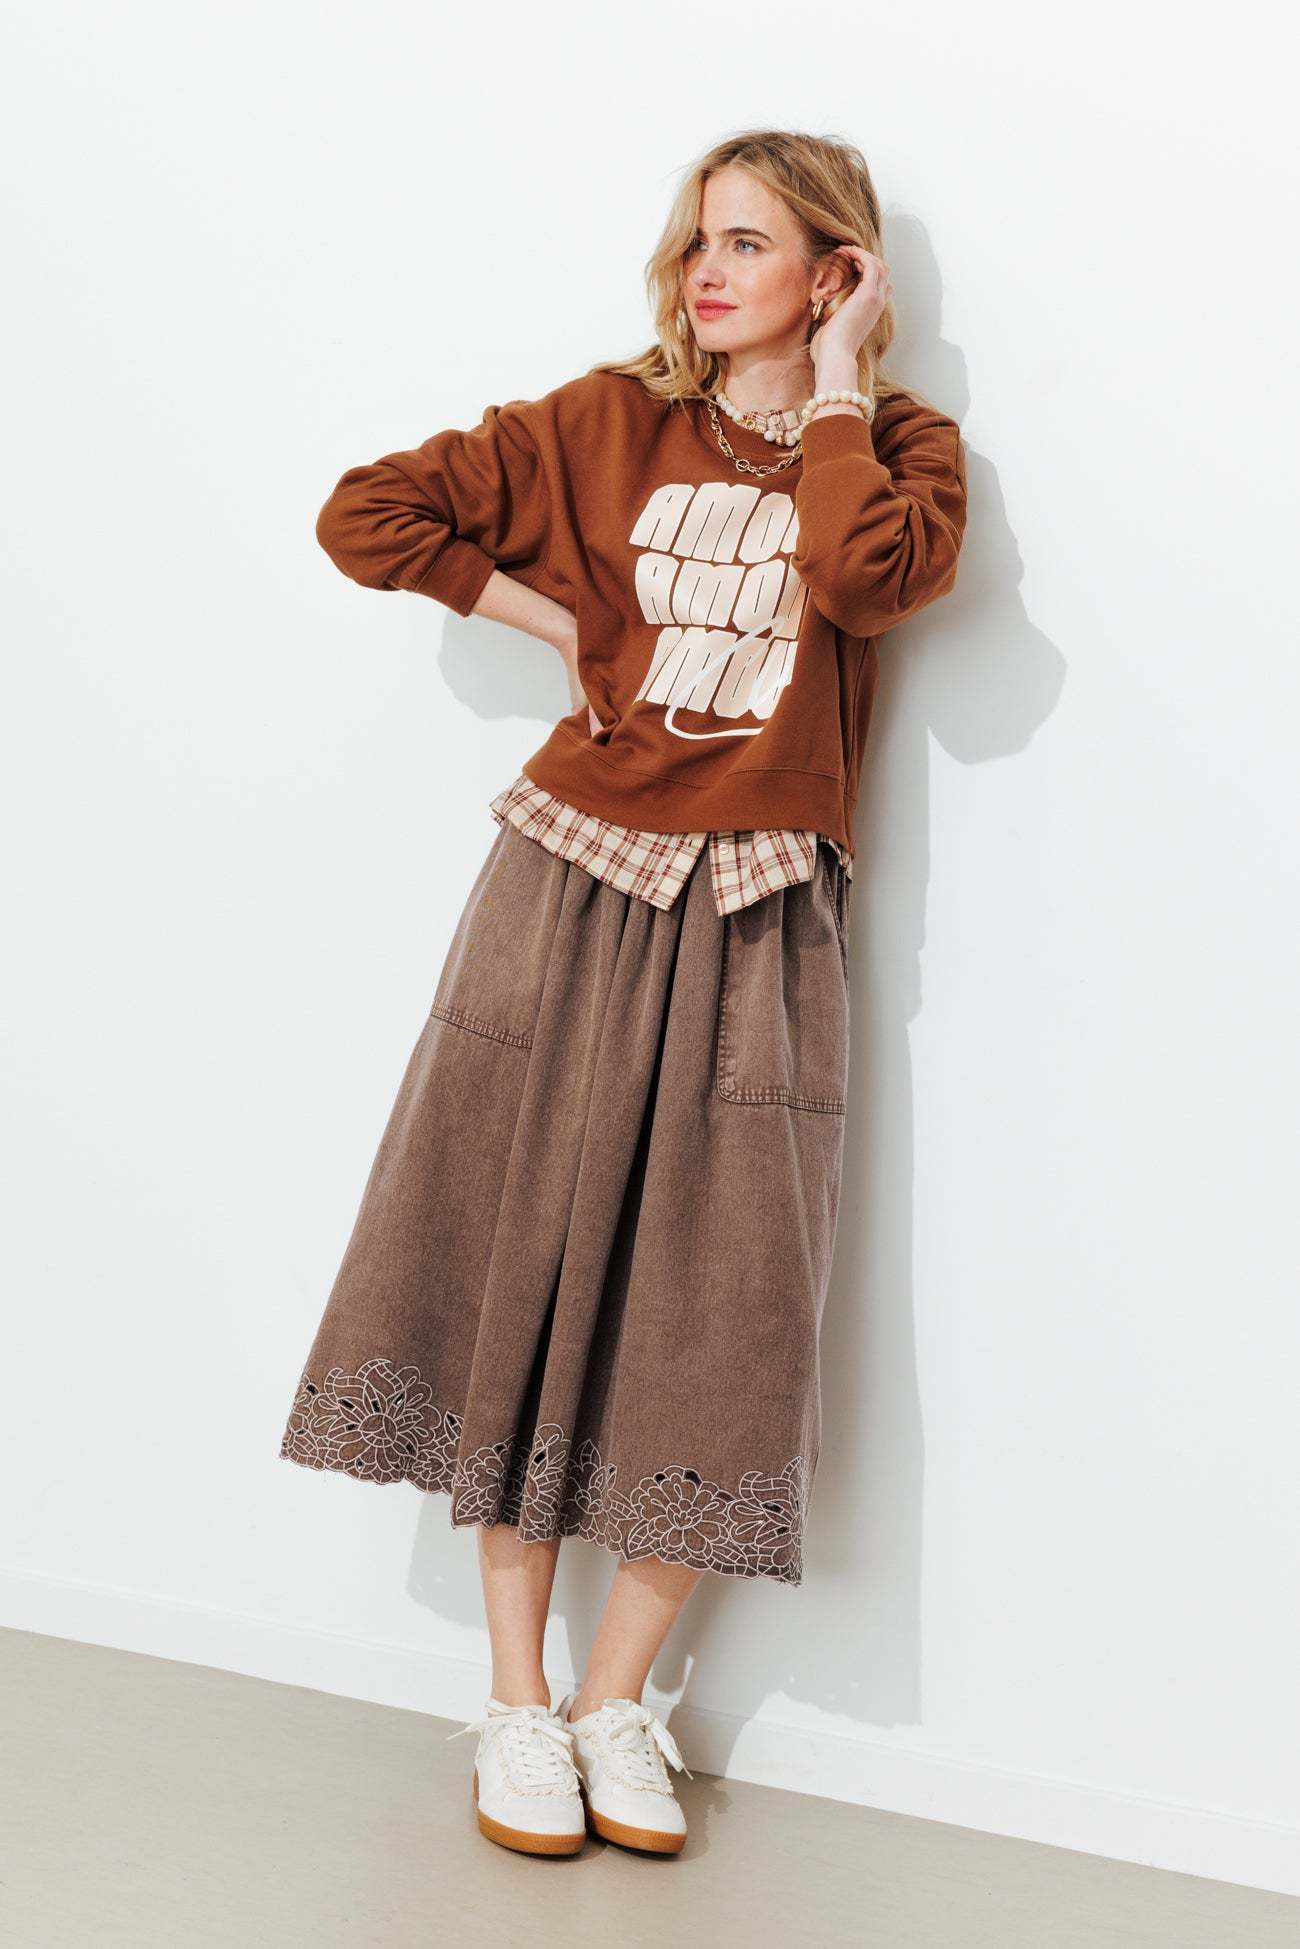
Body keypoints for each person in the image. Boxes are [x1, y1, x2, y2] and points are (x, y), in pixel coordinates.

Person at [278, 126, 968, 1858]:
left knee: (728, 1300)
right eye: (696, 241)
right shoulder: (604, 422)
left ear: (836, 270)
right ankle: (517, 1699)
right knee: (530, 1251)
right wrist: (567, 630)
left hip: (763, 906)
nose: (705, 272)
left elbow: (863, 579)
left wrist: (840, 382)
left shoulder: (899, 451)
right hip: (575, 879)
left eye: (751, 244)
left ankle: (615, 1703)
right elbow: (369, 513)